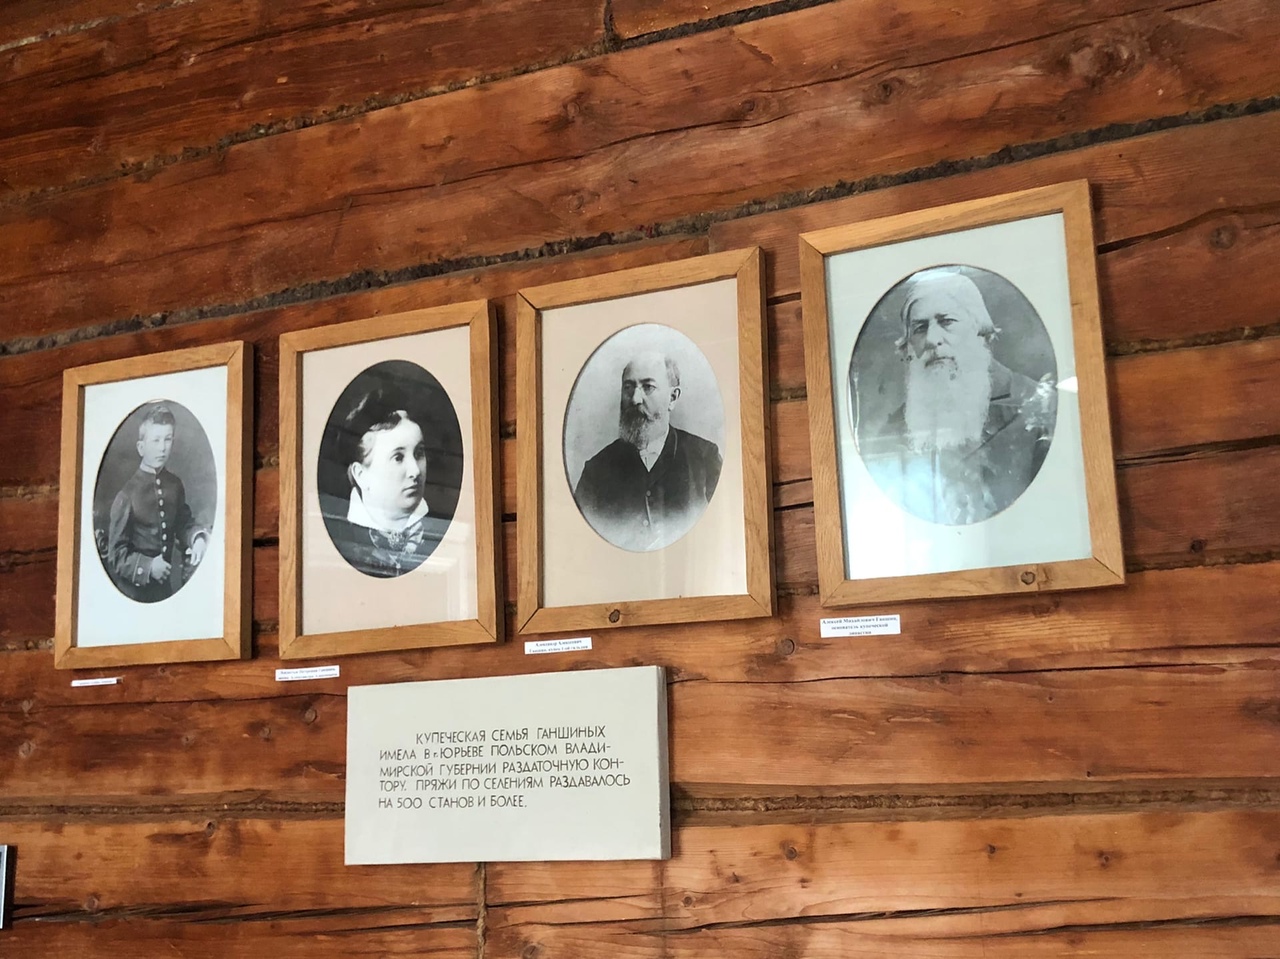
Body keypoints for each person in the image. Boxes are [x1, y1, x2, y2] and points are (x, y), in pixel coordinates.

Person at [856, 269, 1056, 525]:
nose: (932, 339)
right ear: (909, 345)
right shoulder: (894, 431)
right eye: (920, 328)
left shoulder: (1037, 405)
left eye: (947, 321)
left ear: (979, 329)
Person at [573, 350, 722, 551]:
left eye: (648, 387)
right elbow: (580, 544)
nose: (635, 399)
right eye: (628, 387)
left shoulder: (705, 457)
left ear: (672, 398)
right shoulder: (596, 470)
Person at [320, 387, 448, 577]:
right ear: (361, 475)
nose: (415, 471)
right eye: (398, 457)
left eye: (419, 453)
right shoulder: (338, 540)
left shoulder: (443, 529)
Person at [105, 404, 209, 602]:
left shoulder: (174, 485)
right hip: (134, 595)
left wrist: (197, 539)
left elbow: (182, 523)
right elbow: (116, 556)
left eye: (167, 439)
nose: (162, 447)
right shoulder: (127, 495)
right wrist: (149, 567)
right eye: (155, 440)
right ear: (141, 447)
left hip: (165, 592)